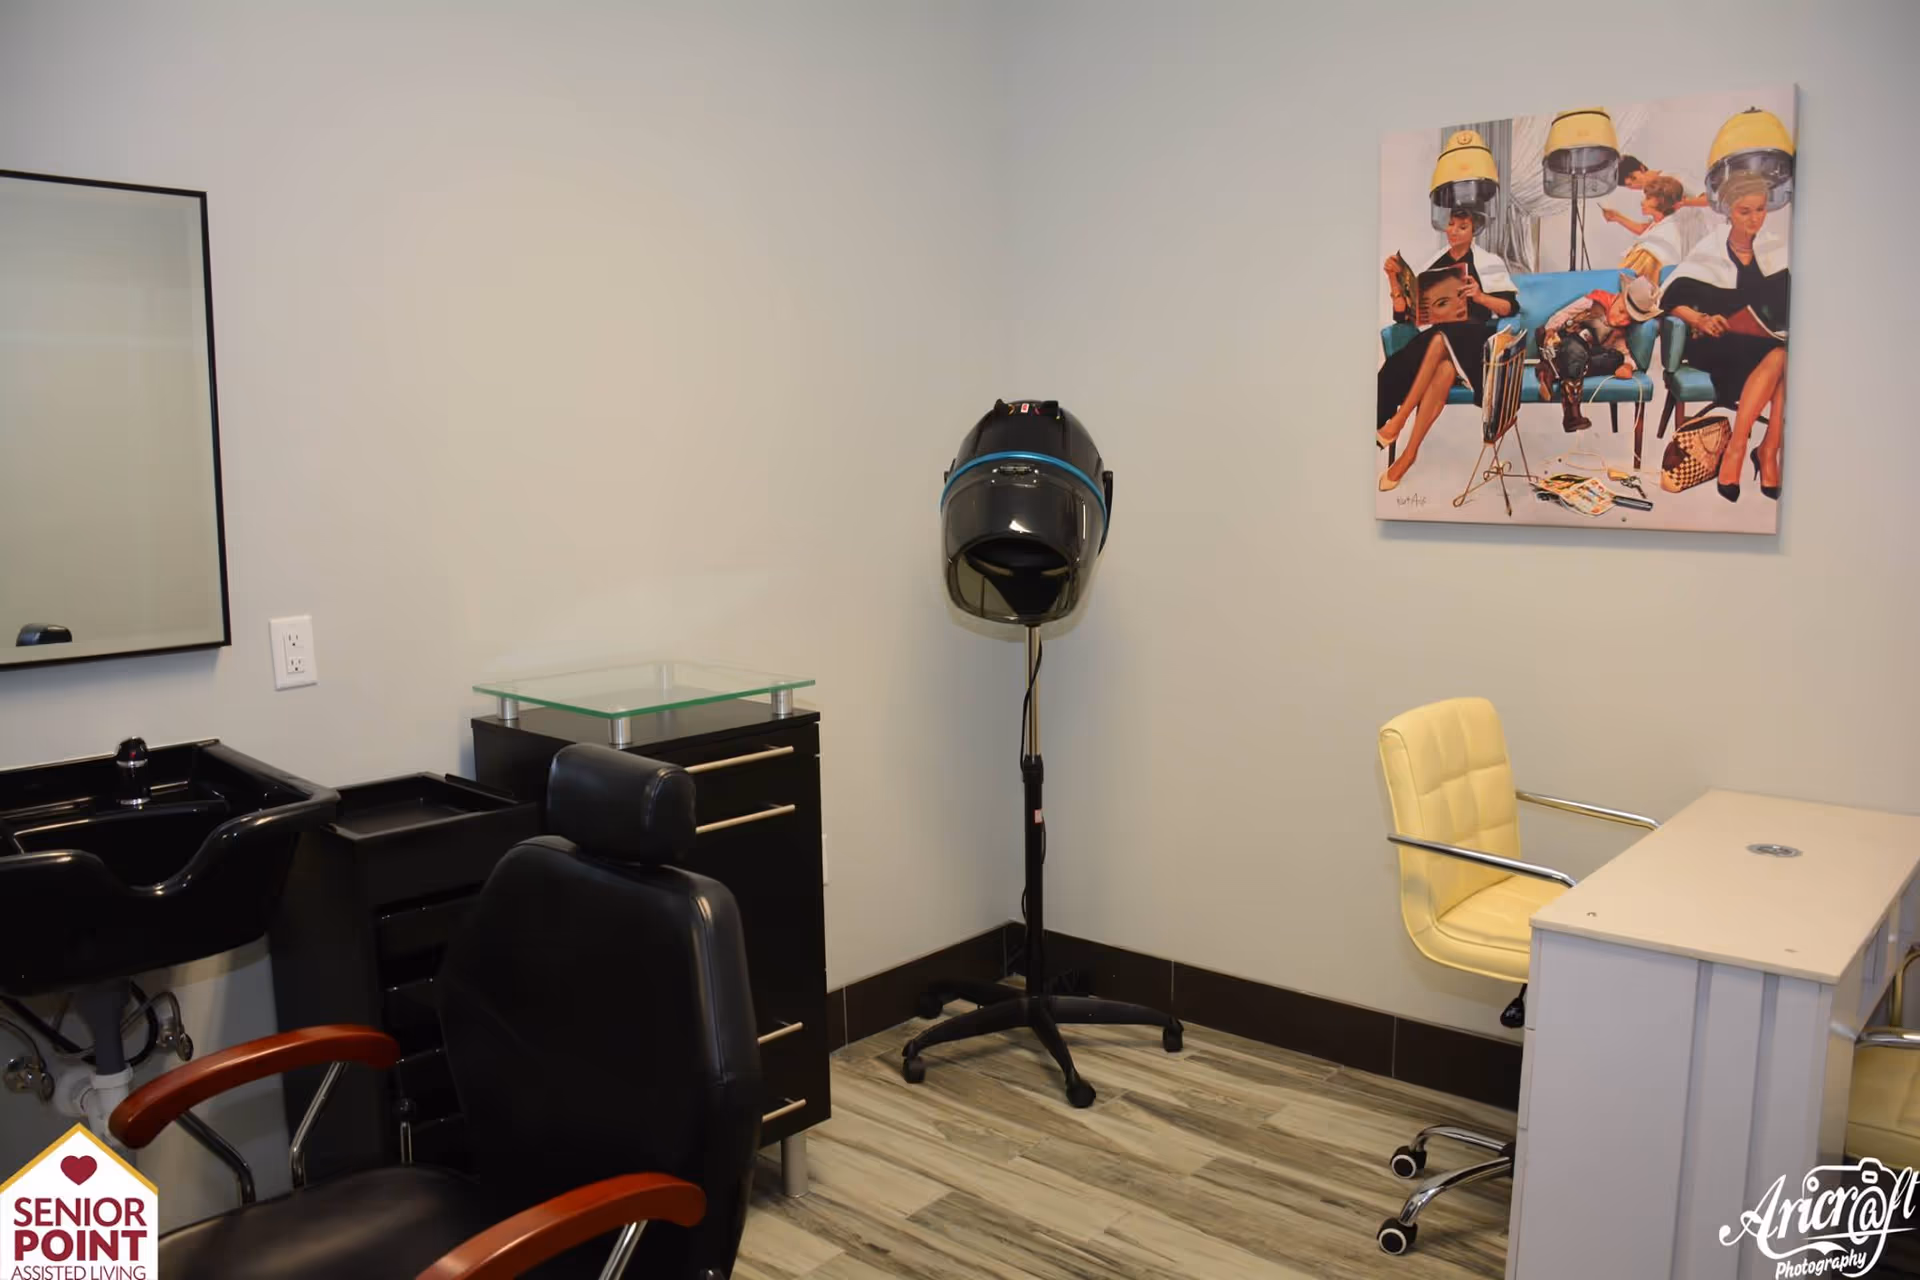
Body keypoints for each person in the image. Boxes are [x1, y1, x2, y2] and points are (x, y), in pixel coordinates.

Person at [1658, 171, 1789, 501]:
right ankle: (1761, 451)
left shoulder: (1775, 249)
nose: (1754, 219)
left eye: (1760, 210)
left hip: (1763, 345)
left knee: (1783, 353)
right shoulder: (1711, 248)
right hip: (1715, 342)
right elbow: (1669, 300)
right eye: (1745, 211)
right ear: (1729, 211)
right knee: (1781, 357)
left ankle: (1752, 447)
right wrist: (1699, 319)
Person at [1376, 209, 1518, 491]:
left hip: (1475, 340)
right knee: (1443, 365)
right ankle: (1409, 455)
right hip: (1439, 347)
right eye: (1451, 225)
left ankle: (1399, 420)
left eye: (1462, 227)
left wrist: (1479, 296)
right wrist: (1394, 280)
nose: (1453, 231)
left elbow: (1509, 308)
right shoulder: (1433, 264)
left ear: (1473, 231)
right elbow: (1406, 317)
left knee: (1442, 339)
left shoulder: (1489, 263)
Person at [1536, 275, 1658, 432]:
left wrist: (1627, 366)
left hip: (1585, 358)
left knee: (1615, 357)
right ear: (1618, 297)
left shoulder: (1618, 332)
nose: (1621, 320)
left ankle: (1550, 372)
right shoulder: (1595, 300)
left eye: (1628, 319)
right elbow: (1565, 313)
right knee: (1575, 352)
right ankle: (1572, 415)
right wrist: (1551, 329)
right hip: (1567, 344)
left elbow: (1624, 352)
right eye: (1621, 311)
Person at [1600, 174, 1686, 237]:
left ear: (1661, 200)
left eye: (1648, 198)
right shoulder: (1659, 223)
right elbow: (1643, 229)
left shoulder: (1666, 228)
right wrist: (1616, 217)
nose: (1642, 202)